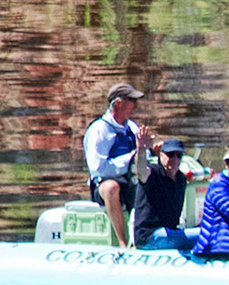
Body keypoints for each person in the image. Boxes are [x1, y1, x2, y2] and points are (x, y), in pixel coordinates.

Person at [83, 82, 145, 247]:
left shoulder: (132, 127)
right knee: (111, 187)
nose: (136, 105)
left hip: (132, 179)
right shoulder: (99, 130)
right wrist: (131, 159)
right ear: (118, 103)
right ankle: (123, 242)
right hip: (104, 184)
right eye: (132, 101)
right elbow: (98, 169)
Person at [130, 137, 193, 250]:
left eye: (179, 155)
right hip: (149, 237)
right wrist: (141, 150)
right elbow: (141, 170)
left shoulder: (181, 179)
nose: (175, 159)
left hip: (170, 233)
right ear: (161, 155)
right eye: (170, 155)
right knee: (201, 236)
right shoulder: (152, 173)